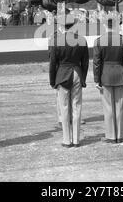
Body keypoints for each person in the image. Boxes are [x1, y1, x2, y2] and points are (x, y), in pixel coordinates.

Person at [49, 15, 89, 147]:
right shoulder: (82, 40)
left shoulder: (57, 41)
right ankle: (76, 139)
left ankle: (67, 140)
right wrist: (83, 77)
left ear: (62, 26)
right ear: (74, 26)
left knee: (64, 107)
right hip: (77, 72)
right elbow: (85, 63)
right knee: (76, 106)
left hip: (62, 74)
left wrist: (52, 80)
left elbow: (53, 63)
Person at [93, 14, 123, 143]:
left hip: (106, 75)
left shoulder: (98, 41)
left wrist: (96, 80)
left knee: (108, 107)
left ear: (104, 25)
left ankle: (110, 135)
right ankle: (119, 135)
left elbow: (97, 63)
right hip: (120, 74)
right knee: (119, 106)